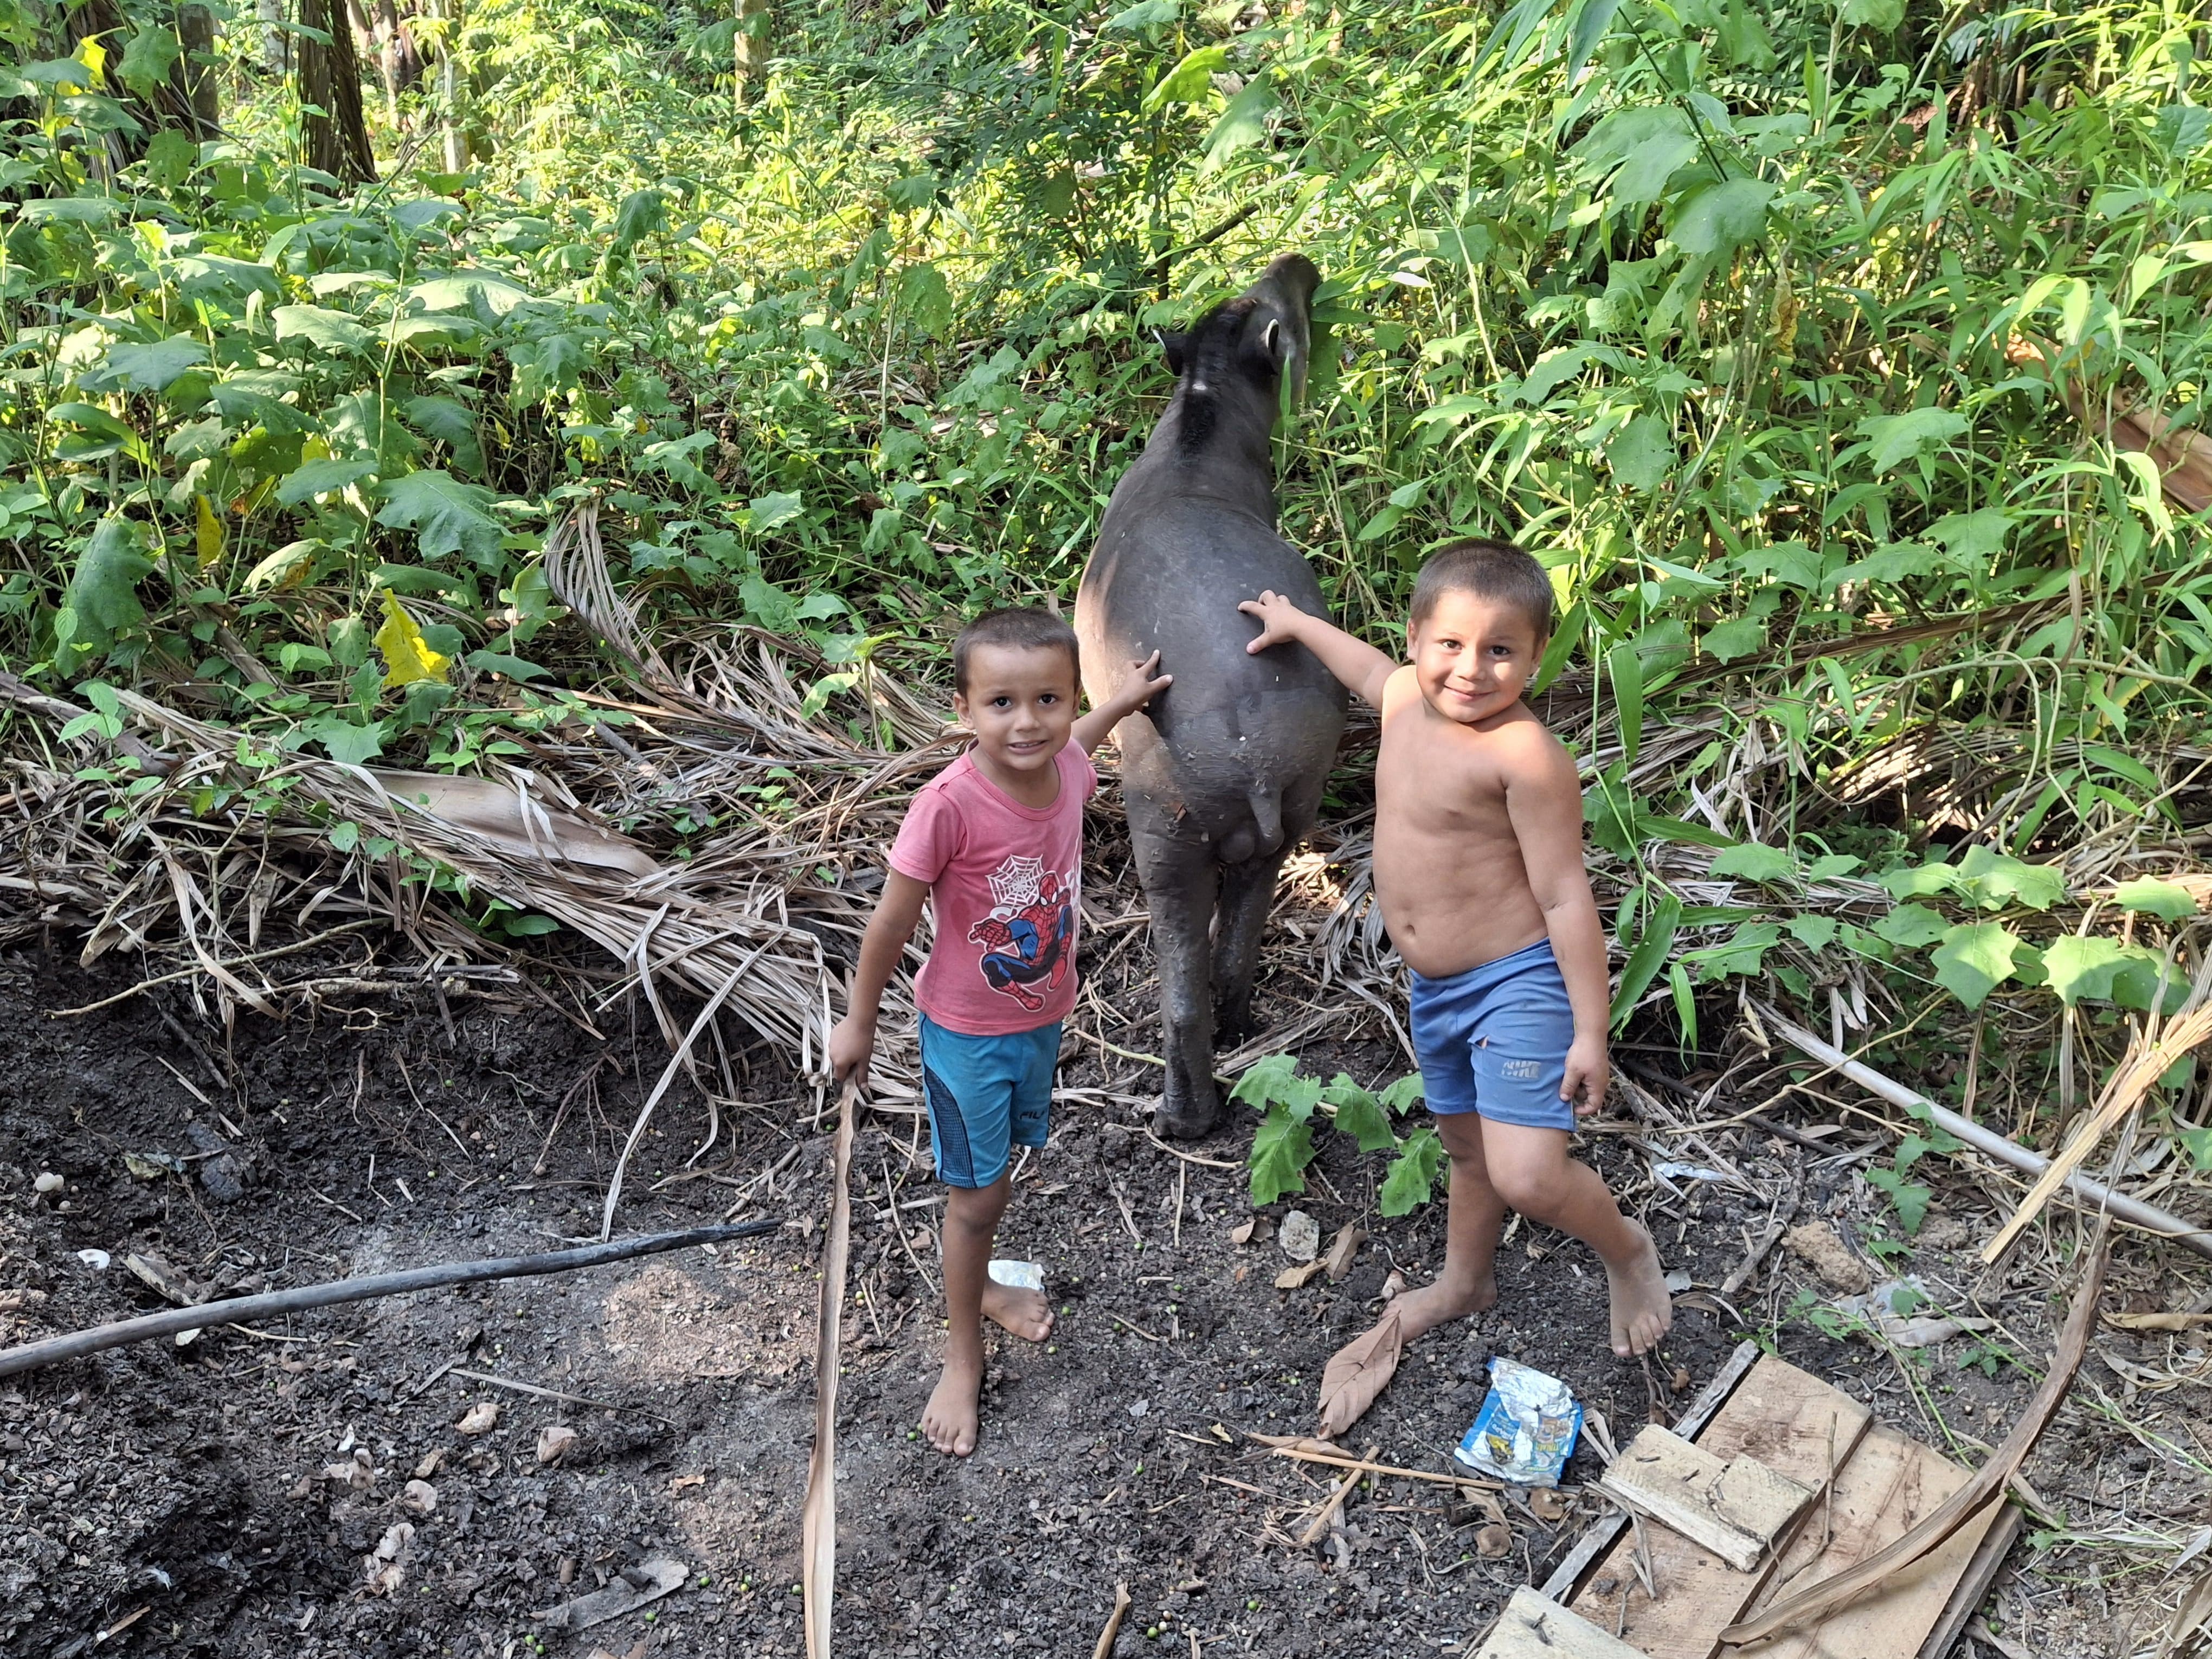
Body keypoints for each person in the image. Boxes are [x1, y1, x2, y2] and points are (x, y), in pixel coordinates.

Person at [1238, 541, 1672, 1360]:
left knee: (1530, 1175)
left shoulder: (1524, 756)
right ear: (1415, 638)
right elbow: (1367, 671)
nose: (1471, 669)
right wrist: (1298, 623)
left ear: (1537, 658)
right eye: (1451, 644)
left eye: (1500, 649)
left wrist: (1590, 1033)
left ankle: (1629, 1251)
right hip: (1434, 988)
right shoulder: (1404, 694)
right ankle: (1468, 1280)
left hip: (1517, 981)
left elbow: (1563, 896)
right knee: (1468, 1150)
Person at [830, 607, 1170, 1455]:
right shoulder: (947, 806)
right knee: (976, 1196)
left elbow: (1082, 741)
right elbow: (889, 927)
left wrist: (1123, 701)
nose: (1028, 722)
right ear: (963, 708)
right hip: (966, 1035)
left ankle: (977, 1283)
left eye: (1047, 700)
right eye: (1002, 704)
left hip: (1041, 1019)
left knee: (1000, 1173)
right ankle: (962, 1355)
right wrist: (858, 1023)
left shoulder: (1070, 769)